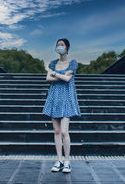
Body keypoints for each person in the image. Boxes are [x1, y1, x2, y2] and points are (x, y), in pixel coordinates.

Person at [43, 38, 81, 173]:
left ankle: (67, 161)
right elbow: (48, 78)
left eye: (62, 45)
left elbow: (67, 79)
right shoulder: (53, 63)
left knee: (64, 131)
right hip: (54, 97)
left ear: (67, 48)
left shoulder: (73, 63)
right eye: (58, 45)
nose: (59, 47)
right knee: (57, 131)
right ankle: (59, 160)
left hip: (67, 97)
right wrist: (58, 75)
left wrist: (55, 74)